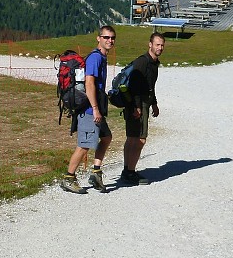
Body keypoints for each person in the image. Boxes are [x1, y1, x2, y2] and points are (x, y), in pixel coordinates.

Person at [60, 26, 116, 194]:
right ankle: (68, 178)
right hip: (89, 110)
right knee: (84, 145)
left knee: (106, 137)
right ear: (98, 38)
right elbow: (89, 83)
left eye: (112, 38)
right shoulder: (95, 58)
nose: (110, 40)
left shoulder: (101, 57)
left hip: (95, 108)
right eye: (106, 37)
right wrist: (95, 109)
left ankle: (96, 173)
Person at [120, 32, 165, 185]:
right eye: (157, 44)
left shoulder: (154, 63)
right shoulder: (143, 62)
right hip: (137, 105)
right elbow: (134, 87)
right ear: (150, 44)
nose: (160, 47)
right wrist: (137, 107)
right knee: (140, 139)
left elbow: (150, 86)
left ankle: (127, 170)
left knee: (133, 138)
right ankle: (130, 172)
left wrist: (154, 103)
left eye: (162, 45)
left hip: (143, 103)